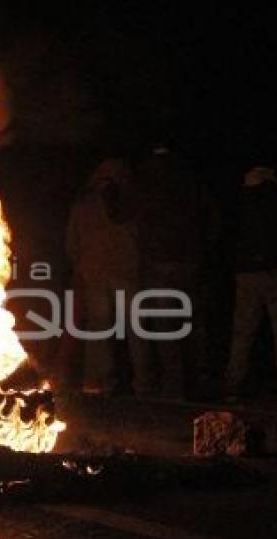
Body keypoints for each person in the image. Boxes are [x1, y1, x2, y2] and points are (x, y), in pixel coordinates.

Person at [137, 143, 219, 398]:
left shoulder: (148, 186)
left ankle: (175, 385)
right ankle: (198, 380)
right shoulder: (191, 184)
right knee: (193, 324)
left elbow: (134, 222)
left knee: (166, 327)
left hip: (161, 265)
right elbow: (213, 222)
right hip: (190, 263)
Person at [66, 158, 151, 395]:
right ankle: (144, 383)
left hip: (95, 275)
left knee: (99, 330)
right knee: (137, 329)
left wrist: (82, 266)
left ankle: (98, 382)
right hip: (128, 273)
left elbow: (72, 242)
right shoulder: (134, 202)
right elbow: (146, 239)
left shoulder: (84, 204)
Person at [224, 165, 277, 401]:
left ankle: (233, 384)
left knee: (243, 333)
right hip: (276, 272)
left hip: (247, 274)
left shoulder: (240, 207)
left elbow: (228, 238)